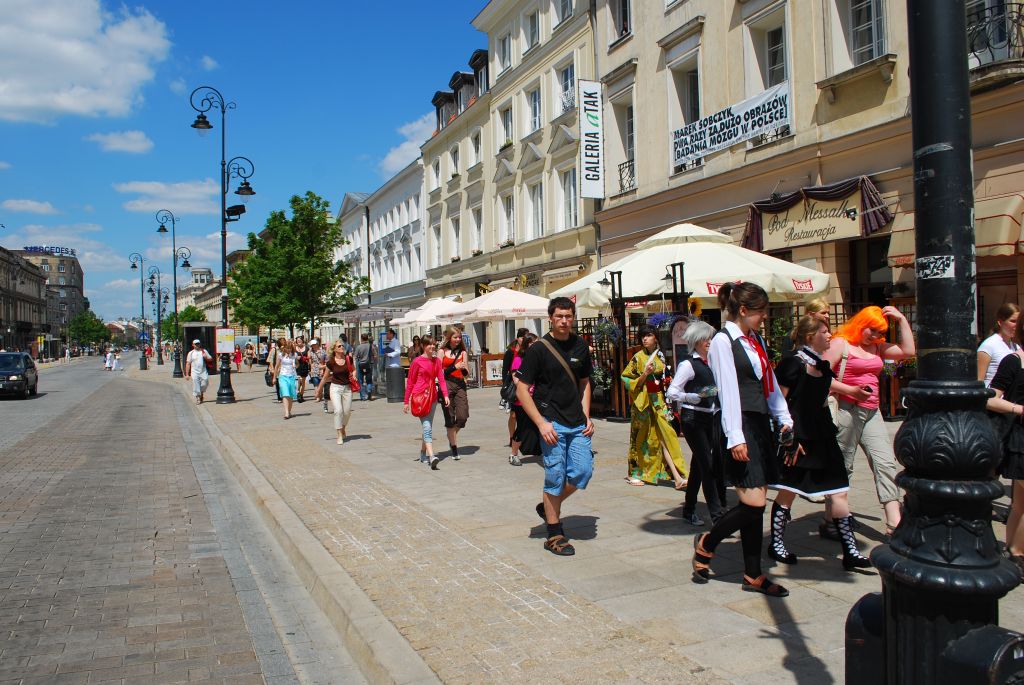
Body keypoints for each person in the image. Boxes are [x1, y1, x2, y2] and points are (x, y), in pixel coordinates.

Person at [692, 282, 793, 597]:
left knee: (757, 506)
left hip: (760, 424)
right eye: (761, 311)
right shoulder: (723, 341)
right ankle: (709, 542)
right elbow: (728, 391)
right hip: (739, 424)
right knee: (753, 503)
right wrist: (735, 437)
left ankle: (752, 575)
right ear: (745, 310)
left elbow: (770, 382)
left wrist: (784, 418)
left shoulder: (755, 339)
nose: (765, 317)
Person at [767, 316, 871, 570]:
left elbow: (825, 384)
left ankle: (850, 550)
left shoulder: (820, 364)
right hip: (800, 439)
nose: (829, 336)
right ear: (809, 336)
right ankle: (776, 544)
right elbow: (777, 401)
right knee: (788, 490)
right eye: (824, 332)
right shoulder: (793, 363)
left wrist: (853, 392)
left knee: (838, 489)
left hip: (823, 434)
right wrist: (787, 438)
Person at [823, 305, 915, 537]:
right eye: (871, 330)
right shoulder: (840, 344)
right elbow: (816, 374)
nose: (875, 336)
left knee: (884, 462)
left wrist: (902, 319)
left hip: (872, 411)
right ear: (860, 325)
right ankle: (832, 518)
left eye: (879, 332)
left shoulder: (877, 348)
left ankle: (894, 521)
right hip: (846, 409)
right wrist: (851, 390)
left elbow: (908, 351)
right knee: (844, 465)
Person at [516, 297, 595, 557]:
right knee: (555, 475)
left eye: (568, 316)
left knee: (583, 471)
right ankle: (554, 533)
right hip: (552, 423)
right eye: (559, 316)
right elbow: (522, 389)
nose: (564, 321)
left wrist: (586, 416)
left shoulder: (580, 346)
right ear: (550, 317)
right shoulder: (539, 349)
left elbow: (584, 383)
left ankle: (551, 503)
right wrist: (541, 423)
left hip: (576, 422)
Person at [667, 320, 726, 526]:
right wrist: (694, 396)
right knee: (707, 466)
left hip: (711, 417)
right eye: (705, 338)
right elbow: (672, 392)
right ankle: (717, 515)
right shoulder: (688, 365)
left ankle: (689, 508)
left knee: (700, 466)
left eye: (711, 337)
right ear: (696, 341)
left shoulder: (713, 362)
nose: (709, 341)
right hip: (693, 419)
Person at [621, 325, 689, 489]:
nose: (645, 339)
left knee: (667, 435)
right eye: (643, 336)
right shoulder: (637, 357)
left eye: (649, 335)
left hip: (658, 400)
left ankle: (677, 472)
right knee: (642, 437)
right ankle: (635, 472)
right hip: (643, 401)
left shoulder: (661, 356)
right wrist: (644, 374)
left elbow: (666, 377)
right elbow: (626, 379)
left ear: (656, 337)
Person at [986, 326, 1024, 576]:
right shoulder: (1013, 361)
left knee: (1020, 503)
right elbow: (989, 398)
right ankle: (1017, 553)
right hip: (1020, 438)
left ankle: (1015, 550)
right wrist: (1018, 409)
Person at [403, 335, 451, 469]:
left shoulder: (437, 361)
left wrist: (445, 395)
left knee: (427, 426)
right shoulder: (417, 362)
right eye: (429, 344)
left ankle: (423, 453)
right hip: (420, 398)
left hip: (433, 398)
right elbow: (411, 382)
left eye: (434, 344)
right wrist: (406, 401)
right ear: (424, 346)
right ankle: (432, 456)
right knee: (427, 427)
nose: (432, 347)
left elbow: (441, 379)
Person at [508, 333, 541, 466]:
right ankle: (513, 454)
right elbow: (516, 380)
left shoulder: (539, 359)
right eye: (535, 343)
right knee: (522, 428)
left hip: (538, 398)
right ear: (527, 344)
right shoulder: (518, 360)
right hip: (522, 400)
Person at [439, 327, 471, 460]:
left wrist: (464, 370)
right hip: (446, 385)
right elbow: (439, 373)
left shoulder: (463, 352)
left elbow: (467, 373)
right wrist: (454, 367)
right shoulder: (442, 351)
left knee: (463, 416)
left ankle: (451, 435)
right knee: (450, 418)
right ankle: (454, 447)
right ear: (449, 338)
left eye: (459, 337)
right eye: (455, 337)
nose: (458, 340)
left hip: (460, 385)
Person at [316, 340, 354, 445]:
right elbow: (324, 378)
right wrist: (319, 390)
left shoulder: (348, 359)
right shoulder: (331, 362)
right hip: (335, 388)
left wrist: (354, 374)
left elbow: (354, 369)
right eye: (339, 346)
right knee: (338, 410)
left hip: (347, 388)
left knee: (347, 412)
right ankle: (339, 435)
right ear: (334, 349)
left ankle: (343, 428)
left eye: (342, 345)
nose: (342, 347)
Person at [978, 303, 1020, 386]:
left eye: (1019, 322)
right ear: (1000, 322)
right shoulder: (988, 346)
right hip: (992, 397)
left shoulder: (1016, 346)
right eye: (1013, 321)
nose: (1017, 325)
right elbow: (979, 380)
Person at [503, 328, 530, 445]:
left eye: (525, 337)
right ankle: (512, 436)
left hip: (528, 386)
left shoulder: (531, 351)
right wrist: (505, 388)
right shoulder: (511, 352)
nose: (523, 340)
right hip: (514, 387)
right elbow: (505, 371)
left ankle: (522, 437)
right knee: (513, 415)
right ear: (517, 338)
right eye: (522, 337)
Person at [273, 338, 299, 419]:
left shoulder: (294, 355)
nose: (288, 350)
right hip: (283, 376)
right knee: (285, 393)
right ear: (284, 348)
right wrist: (274, 377)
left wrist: (296, 364)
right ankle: (286, 412)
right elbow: (277, 366)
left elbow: (297, 365)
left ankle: (289, 410)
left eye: (290, 348)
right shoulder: (281, 355)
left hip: (292, 375)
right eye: (287, 348)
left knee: (290, 395)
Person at [184, 339, 213, 404]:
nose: (197, 345)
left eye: (198, 343)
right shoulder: (191, 353)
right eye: (196, 344)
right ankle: (198, 397)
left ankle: (201, 393)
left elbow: (211, 359)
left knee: (205, 382)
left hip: (203, 371)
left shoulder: (204, 351)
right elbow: (188, 363)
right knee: (196, 384)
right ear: (193, 345)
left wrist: (206, 357)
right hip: (194, 371)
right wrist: (187, 374)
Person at [307, 339, 328, 413]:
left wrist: (322, 369)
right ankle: (317, 397)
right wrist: (311, 369)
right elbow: (311, 361)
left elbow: (325, 361)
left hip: (321, 368)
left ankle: (320, 394)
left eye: (314, 345)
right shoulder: (311, 352)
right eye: (312, 345)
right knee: (315, 383)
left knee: (321, 383)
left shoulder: (323, 351)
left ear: (317, 344)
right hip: (314, 368)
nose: (313, 346)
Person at [354, 333, 376, 400]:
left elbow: (355, 356)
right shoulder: (371, 346)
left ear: (361, 339)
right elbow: (375, 356)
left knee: (361, 381)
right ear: (367, 338)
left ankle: (363, 396)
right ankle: (369, 390)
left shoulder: (358, 347)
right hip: (369, 364)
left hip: (360, 364)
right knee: (369, 380)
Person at [294, 337, 310, 402]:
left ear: (302, 341)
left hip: (304, 366)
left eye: (300, 340)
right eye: (297, 341)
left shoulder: (306, 348)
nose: (299, 341)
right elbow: (291, 356)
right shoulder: (294, 348)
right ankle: (298, 393)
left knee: (302, 382)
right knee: (298, 380)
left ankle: (301, 395)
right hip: (296, 366)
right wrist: (296, 357)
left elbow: (309, 357)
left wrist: (305, 358)